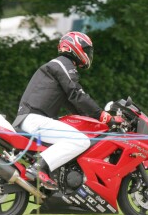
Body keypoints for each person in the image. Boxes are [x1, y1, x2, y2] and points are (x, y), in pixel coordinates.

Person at [12, 31, 123, 190]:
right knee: (80, 141)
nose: (88, 54)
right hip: (34, 119)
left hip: (31, 119)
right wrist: (103, 115)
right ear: (74, 46)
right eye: (86, 49)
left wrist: (97, 121)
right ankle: (38, 168)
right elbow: (76, 94)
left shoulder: (58, 67)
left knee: (78, 136)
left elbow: (75, 105)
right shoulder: (61, 64)